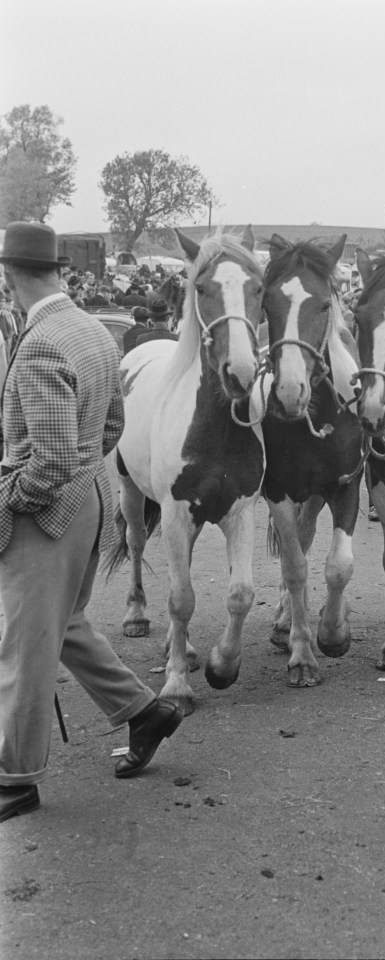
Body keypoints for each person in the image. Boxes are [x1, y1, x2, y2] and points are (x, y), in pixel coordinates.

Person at [0, 222, 183, 824]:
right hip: (93, 494)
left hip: (49, 510)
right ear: (56, 270)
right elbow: (110, 428)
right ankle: (142, 710)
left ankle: (16, 778)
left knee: (26, 646)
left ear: (10, 276)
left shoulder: (42, 340)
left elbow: (47, 459)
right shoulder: (93, 331)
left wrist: (13, 498)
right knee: (65, 622)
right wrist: (81, 471)